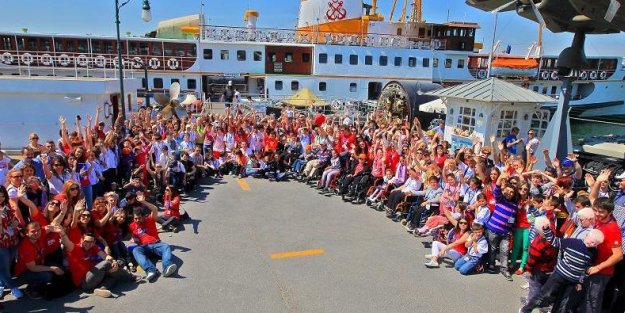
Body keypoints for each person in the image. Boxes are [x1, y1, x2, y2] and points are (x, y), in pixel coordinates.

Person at [520, 227, 605, 313]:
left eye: (595, 243)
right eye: (591, 241)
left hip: (573, 281)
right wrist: (546, 230)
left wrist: (580, 282)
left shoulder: (593, 252)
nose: (591, 244)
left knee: (563, 303)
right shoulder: (572, 242)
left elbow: (586, 268)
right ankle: (526, 310)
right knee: (545, 294)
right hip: (559, 275)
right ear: (586, 235)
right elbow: (554, 241)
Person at [63, 230, 141, 297]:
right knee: (106, 264)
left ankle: (101, 289)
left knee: (113, 273)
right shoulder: (74, 248)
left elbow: (104, 256)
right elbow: (66, 242)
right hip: (84, 282)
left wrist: (113, 261)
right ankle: (131, 277)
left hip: (95, 276)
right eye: (86, 241)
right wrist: (62, 233)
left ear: (94, 242)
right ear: (81, 240)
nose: (88, 244)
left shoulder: (93, 247)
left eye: (91, 242)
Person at [129, 193, 177, 282]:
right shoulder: (132, 225)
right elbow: (135, 237)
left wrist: (143, 201)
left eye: (139, 218)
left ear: (143, 216)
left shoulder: (149, 219)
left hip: (156, 244)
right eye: (135, 218)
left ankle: (167, 268)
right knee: (136, 250)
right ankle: (151, 270)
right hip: (144, 247)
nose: (137, 220)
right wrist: (134, 239)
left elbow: (154, 209)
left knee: (166, 246)